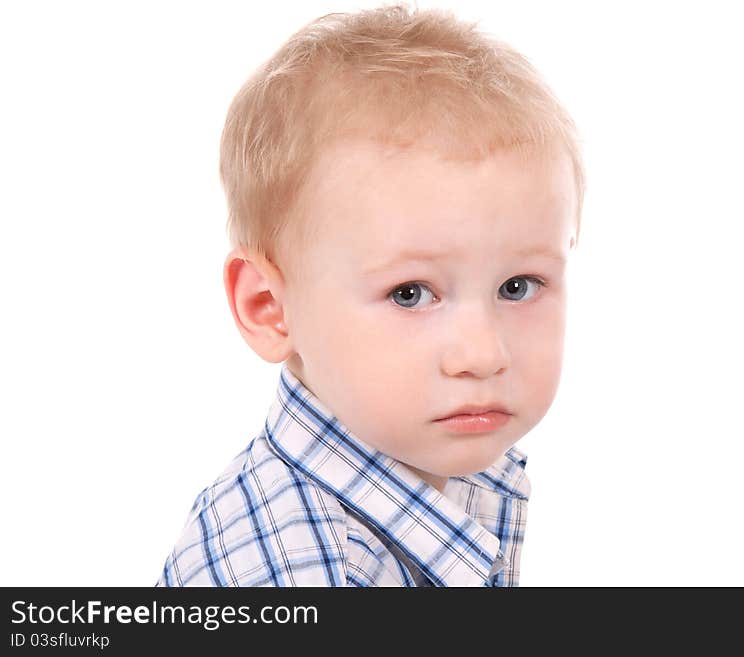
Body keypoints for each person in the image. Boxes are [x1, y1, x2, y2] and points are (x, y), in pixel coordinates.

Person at [157, 2, 585, 587]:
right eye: (410, 294)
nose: (484, 355)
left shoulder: (444, 466)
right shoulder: (306, 569)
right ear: (270, 307)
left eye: (518, 286)